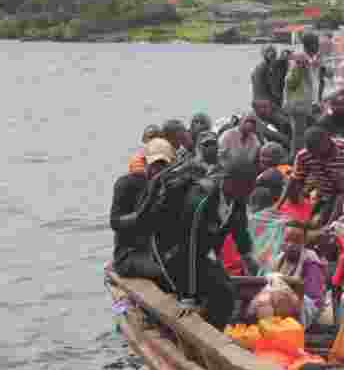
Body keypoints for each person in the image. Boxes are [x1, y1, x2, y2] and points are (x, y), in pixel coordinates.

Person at [166, 157, 261, 330]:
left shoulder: (237, 200)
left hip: (204, 254)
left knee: (226, 292)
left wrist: (247, 256)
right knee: (222, 294)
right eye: (247, 187)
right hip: (178, 256)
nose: (249, 193)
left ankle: (213, 328)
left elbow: (240, 230)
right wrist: (189, 297)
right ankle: (201, 331)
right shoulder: (201, 202)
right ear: (230, 182)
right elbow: (190, 248)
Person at [110, 137, 177, 282]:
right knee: (164, 272)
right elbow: (115, 222)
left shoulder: (172, 187)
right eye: (154, 164)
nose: (157, 170)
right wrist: (144, 209)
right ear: (146, 163)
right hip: (130, 254)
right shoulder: (126, 185)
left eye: (162, 165)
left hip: (158, 251)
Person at [280, 125, 344, 225]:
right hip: (326, 197)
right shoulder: (303, 156)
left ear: (328, 141)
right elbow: (295, 180)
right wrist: (279, 205)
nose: (318, 157)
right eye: (314, 154)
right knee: (317, 223)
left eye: (321, 153)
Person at [272, 220, 327, 326]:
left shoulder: (311, 261)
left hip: (306, 307)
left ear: (304, 242)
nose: (291, 244)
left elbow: (313, 298)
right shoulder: (279, 258)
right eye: (287, 240)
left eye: (297, 241)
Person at [284, 32, 328, 162]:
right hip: (298, 105)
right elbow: (290, 83)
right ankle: (295, 161)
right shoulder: (299, 60)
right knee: (298, 136)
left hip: (307, 104)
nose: (318, 47)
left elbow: (316, 79)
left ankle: (306, 157)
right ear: (310, 45)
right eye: (316, 45)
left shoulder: (310, 59)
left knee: (306, 133)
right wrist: (300, 67)